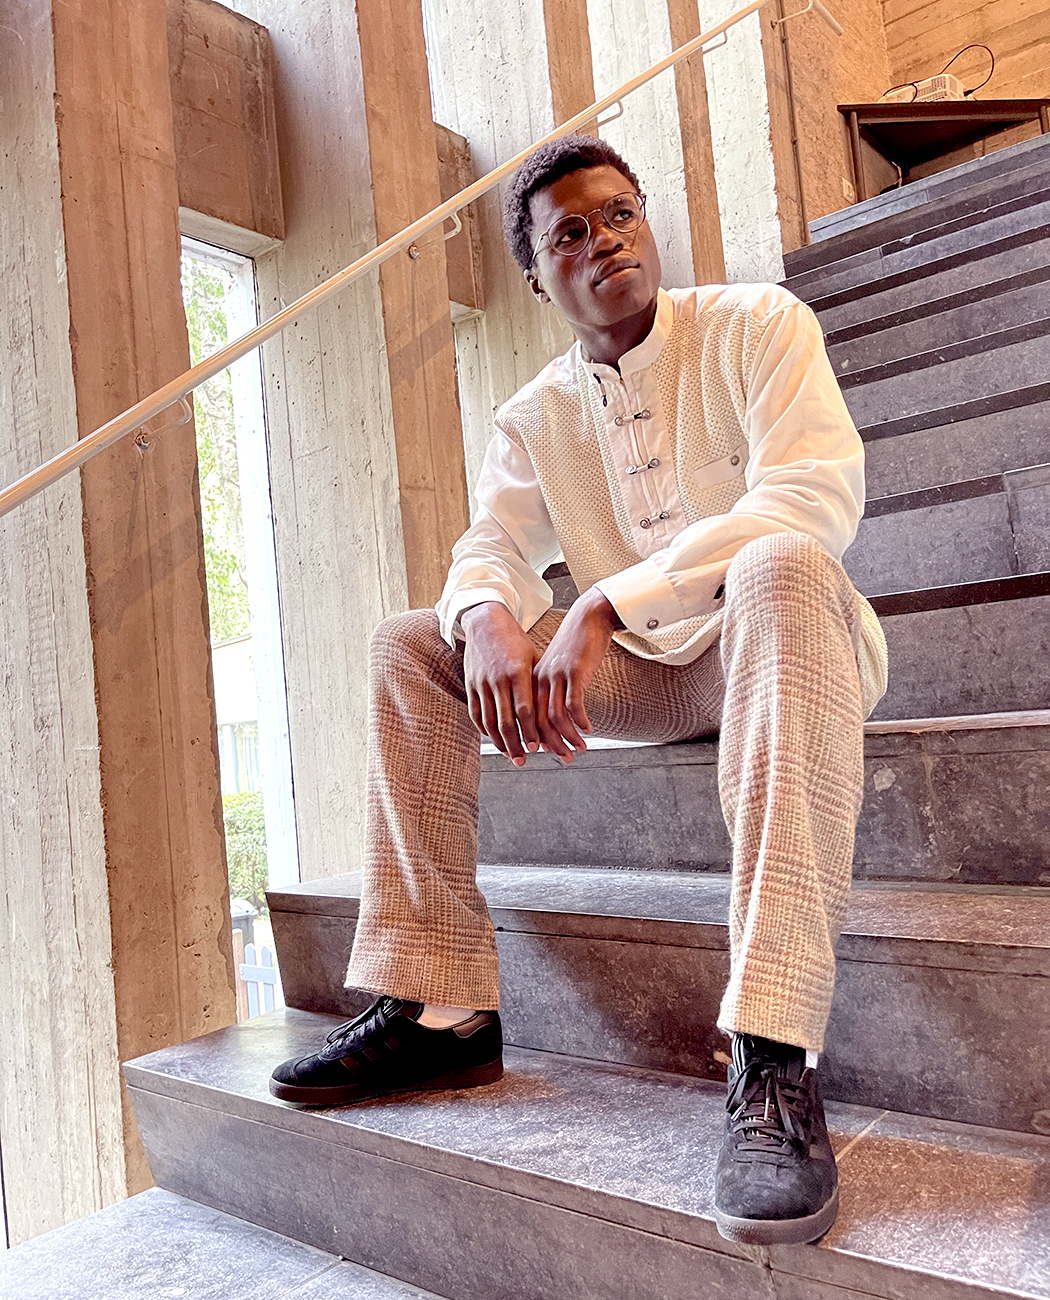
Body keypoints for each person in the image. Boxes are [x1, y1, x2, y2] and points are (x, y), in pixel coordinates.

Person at [269, 134, 888, 1246]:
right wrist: (489, 618)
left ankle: (775, 1055)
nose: (603, 239)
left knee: (782, 560)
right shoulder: (533, 413)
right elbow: (491, 542)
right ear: (537, 276)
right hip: (648, 681)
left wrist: (602, 603)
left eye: (618, 214)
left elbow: (811, 497)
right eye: (569, 232)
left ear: (645, 222)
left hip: (782, 643)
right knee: (412, 642)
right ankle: (441, 1007)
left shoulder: (759, 326)